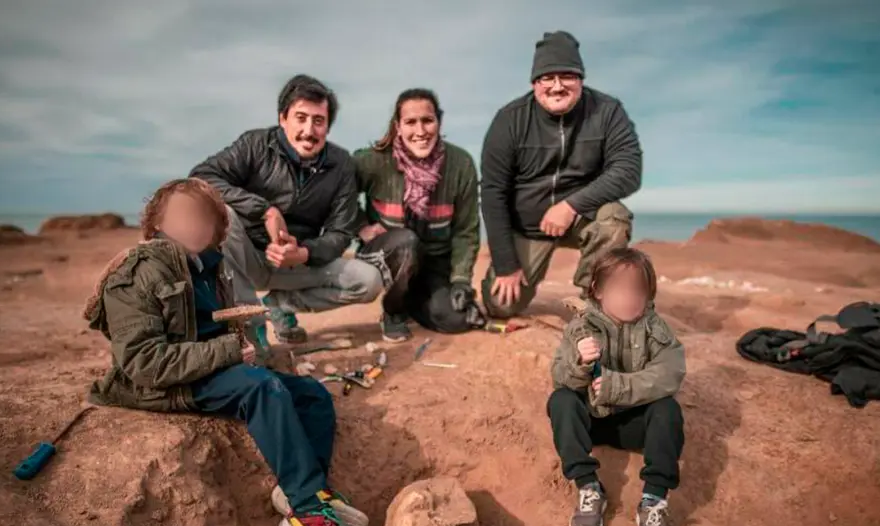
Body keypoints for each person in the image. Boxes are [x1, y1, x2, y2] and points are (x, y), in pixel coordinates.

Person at [82, 178, 369, 526]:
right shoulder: (139, 272)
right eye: (182, 215)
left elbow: (209, 331)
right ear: (157, 223)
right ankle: (306, 515)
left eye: (203, 217)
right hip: (160, 385)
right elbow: (143, 363)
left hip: (205, 370)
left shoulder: (208, 266)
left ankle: (306, 491)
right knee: (262, 387)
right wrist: (229, 351)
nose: (194, 224)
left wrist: (238, 345)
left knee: (312, 395)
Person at [190, 74, 398, 348]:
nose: (309, 131)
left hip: (296, 263)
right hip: (245, 256)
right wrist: (265, 210)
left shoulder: (341, 165)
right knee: (222, 214)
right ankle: (250, 332)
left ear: (327, 127)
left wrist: (304, 252)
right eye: (301, 118)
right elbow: (201, 178)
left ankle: (279, 304)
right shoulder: (255, 144)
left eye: (318, 121)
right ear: (283, 118)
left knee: (368, 281)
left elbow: (341, 231)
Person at [480, 31, 643, 318]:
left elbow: (628, 170)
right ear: (535, 83)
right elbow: (493, 192)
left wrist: (570, 206)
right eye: (547, 77)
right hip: (528, 226)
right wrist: (506, 265)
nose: (557, 86)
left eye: (567, 76)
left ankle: (594, 305)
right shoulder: (509, 119)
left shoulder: (607, 111)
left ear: (580, 79)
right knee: (501, 305)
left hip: (582, 216)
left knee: (614, 218)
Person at [547, 247, 686, 526]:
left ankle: (654, 500)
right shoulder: (581, 327)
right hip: (592, 422)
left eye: (637, 290)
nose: (629, 297)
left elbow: (671, 373)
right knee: (561, 401)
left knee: (668, 409)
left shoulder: (655, 328)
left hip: (635, 424)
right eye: (619, 289)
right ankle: (588, 486)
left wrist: (618, 386)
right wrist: (580, 363)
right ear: (598, 290)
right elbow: (560, 376)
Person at [353, 88, 485, 340]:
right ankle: (393, 310)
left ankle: (414, 300)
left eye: (427, 120)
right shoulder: (372, 161)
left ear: (439, 122)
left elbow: (465, 231)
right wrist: (360, 226)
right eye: (411, 122)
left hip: (435, 260)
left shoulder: (461, 164)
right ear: (398, 126)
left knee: (457, 319)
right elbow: (338, 194)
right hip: (388, 256)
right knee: (406, 242)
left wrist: (461, 281)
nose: (420, 131)